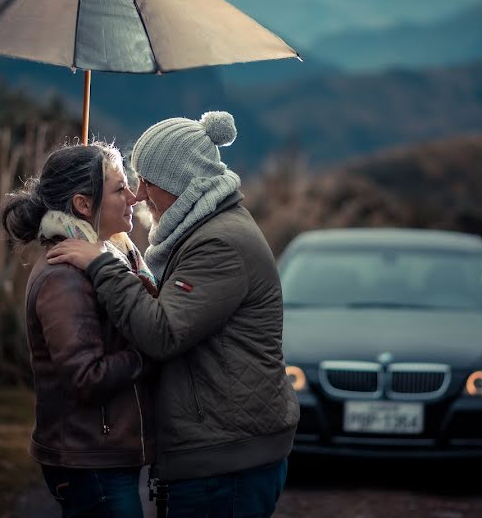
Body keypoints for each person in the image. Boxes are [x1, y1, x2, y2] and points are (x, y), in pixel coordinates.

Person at [47, 111, 299, 517]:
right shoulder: (205, 230)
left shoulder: (219, 243)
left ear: (181, 184)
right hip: (221, 451)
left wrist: (101, 265)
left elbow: (162, 333)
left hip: (226, 460)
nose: (140, 194)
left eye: (147, 181)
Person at [1, 143, 156, 518]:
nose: (133, 197)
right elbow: (85, 377)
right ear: (84, 205)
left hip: (102, 455)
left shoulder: (110, 254)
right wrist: (149, 350)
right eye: (120, 189)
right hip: (89, 460)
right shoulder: (64, 275)